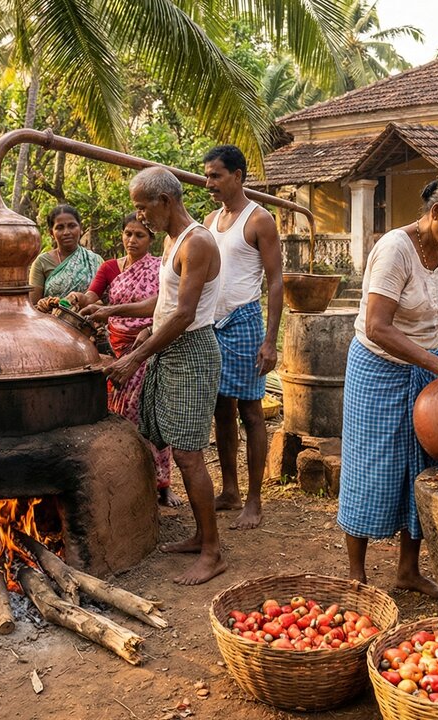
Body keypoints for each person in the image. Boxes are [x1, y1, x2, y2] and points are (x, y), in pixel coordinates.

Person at [339, 175, 438, 596]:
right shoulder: (394, 250)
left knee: (423, 469)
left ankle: (407, 571)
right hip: (378, 369)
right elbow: (377, 327)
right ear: (436, 212)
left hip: (428, 371)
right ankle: (357, 574)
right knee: (369, 467)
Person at [106, 167, 224, 586]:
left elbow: (185, 314)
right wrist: (110, 311)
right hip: (170, 349)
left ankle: (213, 552)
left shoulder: (198, 242)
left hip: (191, 353)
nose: (140, 219)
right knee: (176, 449)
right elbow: (164, 301)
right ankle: (199, 535)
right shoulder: (175, 241)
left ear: (166, 202)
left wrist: (134, 357)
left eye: (143, 208)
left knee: (191, 456)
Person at [69, 213, 180, 507]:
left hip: (147, 346)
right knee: (117, 418)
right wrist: (77, 299)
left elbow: (163, 308)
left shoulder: (160, 268)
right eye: (128, 234)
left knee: (148, 414)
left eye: (139, 235)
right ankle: (126, 478)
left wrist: (143, 329)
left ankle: (162, 483)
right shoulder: (109, 268)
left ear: (151, 239)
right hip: (116, 349)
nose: (132, 240)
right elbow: (92, 297)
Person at [202, 145, 282, 530]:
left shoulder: (259, 220)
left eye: (216, 175)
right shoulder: (210, 219)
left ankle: (254, 500)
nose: (209, 182)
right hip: (212, 323)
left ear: (237, 175)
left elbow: (276, 280)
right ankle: (230, 490)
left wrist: (270, 340)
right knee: (222, 408)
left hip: (245, 321)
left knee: (251, 411)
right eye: (207, 175)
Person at [30, 204, 103, 309]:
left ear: (80, 228)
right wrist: (44, 305)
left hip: (89, 321)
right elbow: (32, 305)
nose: (66, 232)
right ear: (51, 233)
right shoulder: (42, 262)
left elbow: (107, 301)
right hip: (52, 322)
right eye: (60, 228)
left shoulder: (95, 260)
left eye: (72, 226)